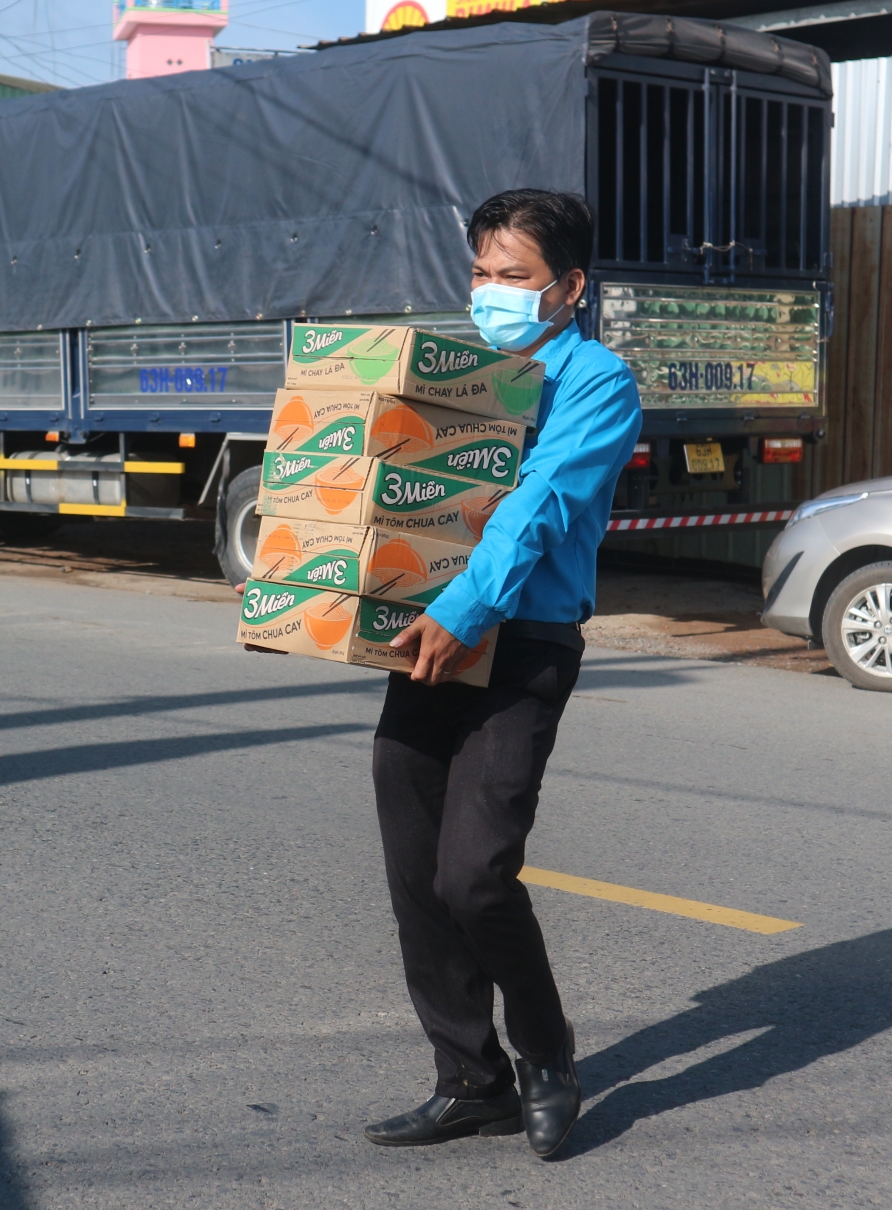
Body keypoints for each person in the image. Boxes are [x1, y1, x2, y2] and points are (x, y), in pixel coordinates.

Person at [363, 190, 642, 1160]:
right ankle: (467, 1077)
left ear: (568, 288)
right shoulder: (456, 373)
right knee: (414, 874)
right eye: (480, 273)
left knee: (475, 872)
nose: (490, 292)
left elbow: (542, 503)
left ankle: (548, 1053)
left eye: (513, 277)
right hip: (423, 636)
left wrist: (467, 607)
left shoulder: (596, 380)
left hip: (518, 641)